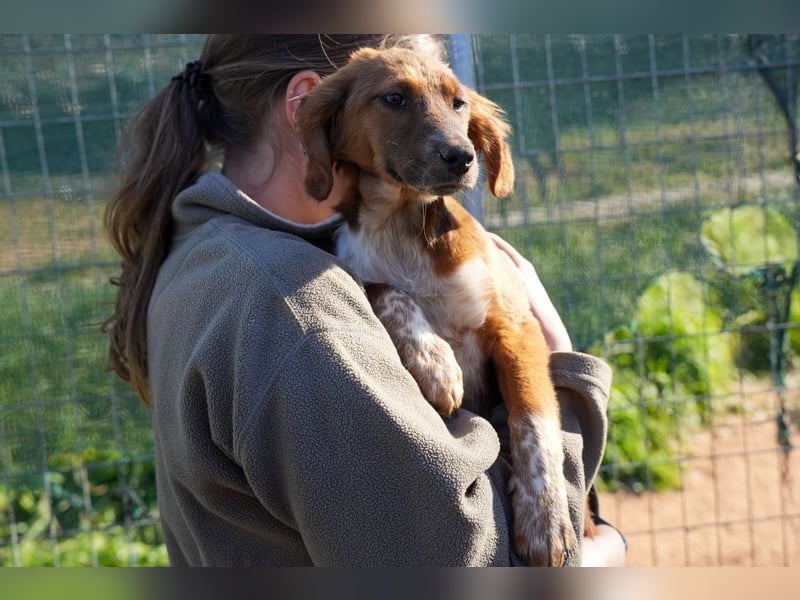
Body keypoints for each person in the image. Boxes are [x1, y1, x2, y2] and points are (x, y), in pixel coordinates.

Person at [102, 34, 624, 567]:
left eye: (454, 103)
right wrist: (601, 546)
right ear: (309, 105)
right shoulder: (302, 312)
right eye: (397, 100)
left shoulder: (201, 249)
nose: (446, 131)